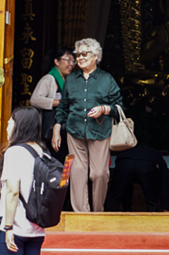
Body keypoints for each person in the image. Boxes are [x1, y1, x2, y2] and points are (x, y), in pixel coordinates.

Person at [52, 37, 124, 212]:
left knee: (99, 174)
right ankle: (81, 214)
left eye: (85, 54)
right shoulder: (71, 79)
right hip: (74, 131)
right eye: (78, 55)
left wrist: (104, 109)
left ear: (96, 56)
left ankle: (97, 212)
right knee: (76, 172)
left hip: (100, 130)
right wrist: (56, 128)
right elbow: (63, 106)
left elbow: (119, 107)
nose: (80, 58)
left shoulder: (106, 79)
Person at [0, 108, 46, 255]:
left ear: (20, 126)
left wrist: (8, 228)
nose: (8, 126)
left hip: (15, 227)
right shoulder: (43, 153)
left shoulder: (14, 152)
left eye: (10, 122)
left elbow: (12, 191)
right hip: (36, 227)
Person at [29, 46, 75, 161]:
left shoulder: (66, 80)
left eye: (73, 61)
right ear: (57, 61)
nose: (71, 64)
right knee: (56, 162)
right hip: (51, 132)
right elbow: (35, 100)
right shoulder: (49, 79)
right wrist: (60, 103)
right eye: (68, 60)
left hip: (64, 130)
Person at [105, 143, 169, 212]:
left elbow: (115, 191)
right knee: (152, 201)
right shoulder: (157, 157)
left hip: (124, 162)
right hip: (146, 164)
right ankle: (152, 217)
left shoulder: (126, 152)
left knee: (115, 199)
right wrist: (165, 206)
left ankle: (112, 217)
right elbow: (164, 182)